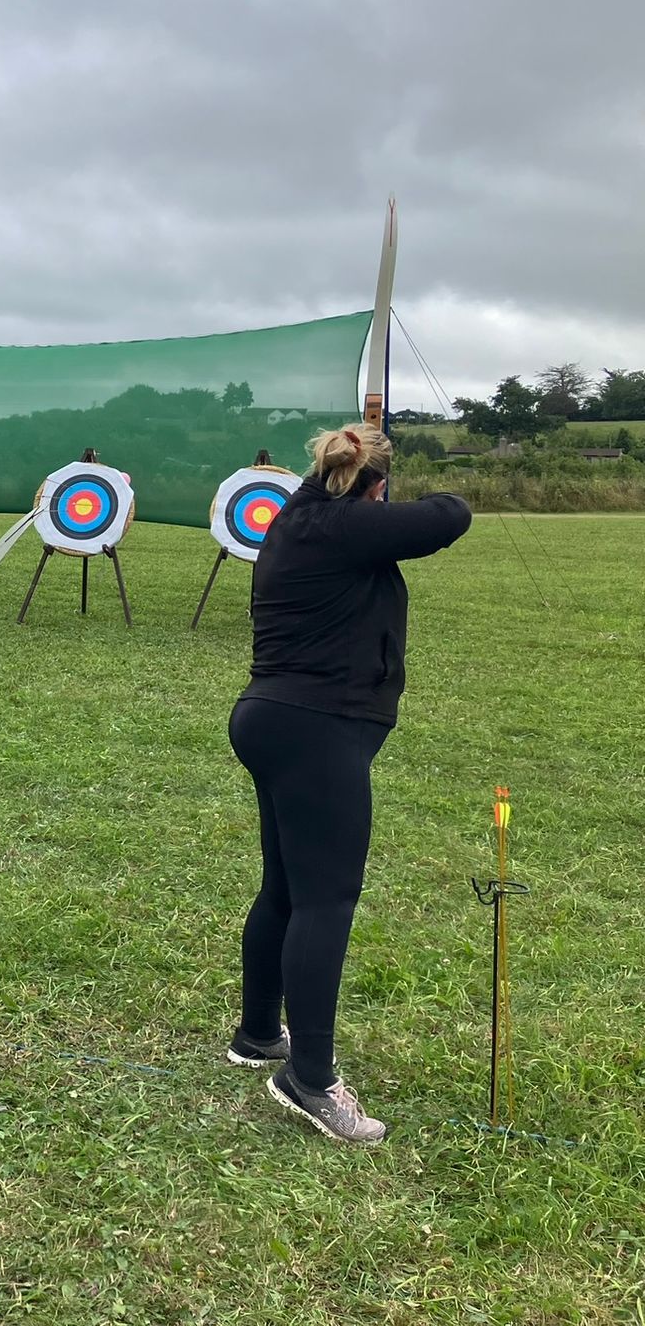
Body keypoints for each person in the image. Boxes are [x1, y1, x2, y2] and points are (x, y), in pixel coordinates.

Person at [225, 423, 470, 1143]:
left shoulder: (297, 515)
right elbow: (447, 517)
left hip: (272, 717)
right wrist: (396, 491)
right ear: (376, 485)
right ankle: (309, 1078)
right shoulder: (343, 526)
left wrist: (365, 473)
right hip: (316, 728)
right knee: (328, 900)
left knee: (287, 889)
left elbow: (352, 503)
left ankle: (259, 1033)